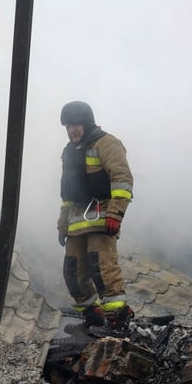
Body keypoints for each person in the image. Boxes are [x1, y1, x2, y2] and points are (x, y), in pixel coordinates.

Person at [57, 101, 134, 329]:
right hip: (75, 220)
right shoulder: (68, 152)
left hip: (101, 215)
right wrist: (62, 225)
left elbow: (122, 179)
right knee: (72, 270)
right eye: (68, 127)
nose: (71, 131)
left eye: (75, 125)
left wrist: (115, 213)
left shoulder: (107, 143)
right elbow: (67, 194)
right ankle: (92, 314)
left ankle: (118, 318)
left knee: (101, 267)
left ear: (87, 123)